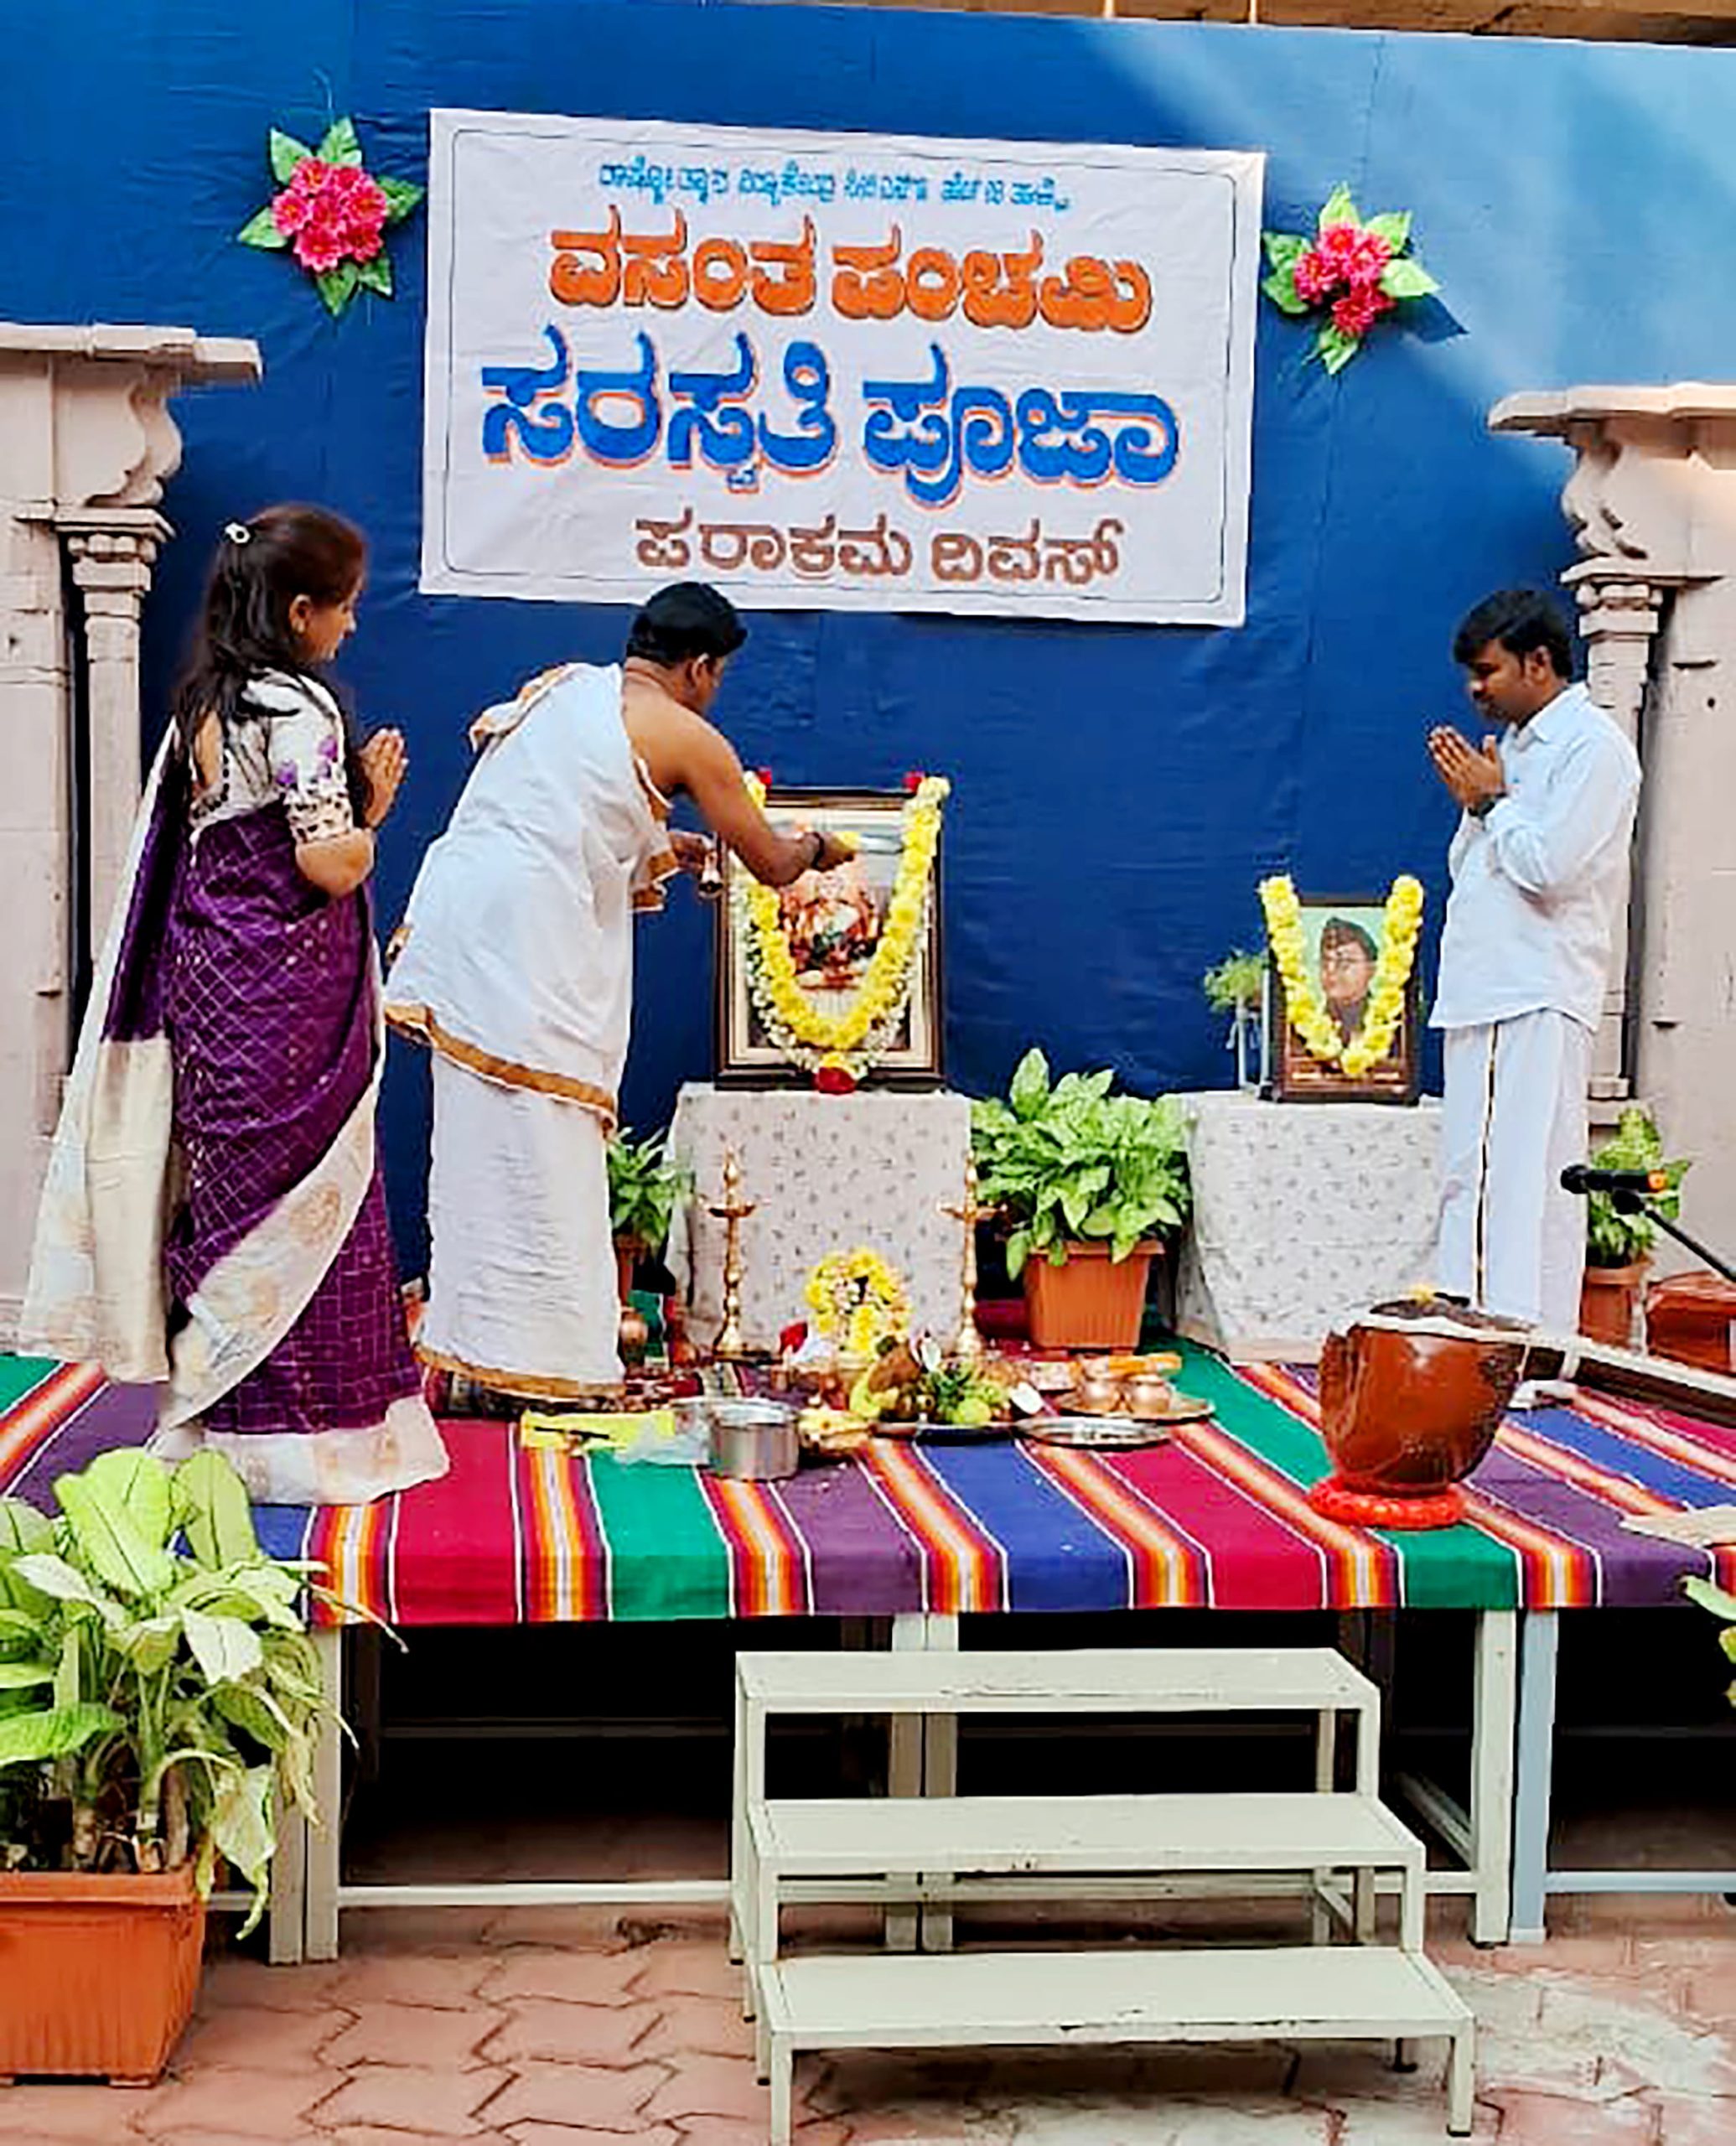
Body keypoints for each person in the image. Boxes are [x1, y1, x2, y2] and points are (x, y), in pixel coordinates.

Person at [21, 506, 448, 1504]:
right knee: (312, 1201)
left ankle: (216, 1421)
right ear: (301, 612)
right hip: (289, 1002)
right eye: (342, 610)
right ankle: (311, 1444)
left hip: (212, 984)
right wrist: (374, 815)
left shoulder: (205, 705)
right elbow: (324, 861)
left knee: (226, 1197)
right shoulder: (298, 713)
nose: (350, 628)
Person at [386, 582, 857, 1402]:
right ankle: (543, 1371)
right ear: (702, 667)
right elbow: (772, 863)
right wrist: (822, 844)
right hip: (529, 940)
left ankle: (474, 1362)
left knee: (476, 1146)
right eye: (720, 676)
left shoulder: (568, 687)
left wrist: (659, 846)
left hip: (462, 923)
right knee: (545, 1147)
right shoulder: (687, 732)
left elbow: (560, 818)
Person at [1428, 587, 1641, 1340]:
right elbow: (1474, 871)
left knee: (1514, 1179)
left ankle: (1510, 1351)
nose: (1473, 690)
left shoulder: (1594, 749)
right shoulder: (1512, 748)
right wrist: (1483, 803)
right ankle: (1500, 1349)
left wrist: (1492, 805)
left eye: (1486, 672)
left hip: (1534, 989)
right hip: (1484, 987)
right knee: (1483, 1174)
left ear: (1539, 662)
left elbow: (1549, 870)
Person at [1319, 916, 1379, 1044]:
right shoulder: (1311, 1023)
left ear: (1371, 969)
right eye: (1325, 962)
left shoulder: (1385, 1023)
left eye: (1344, 963)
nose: (1331, 970)